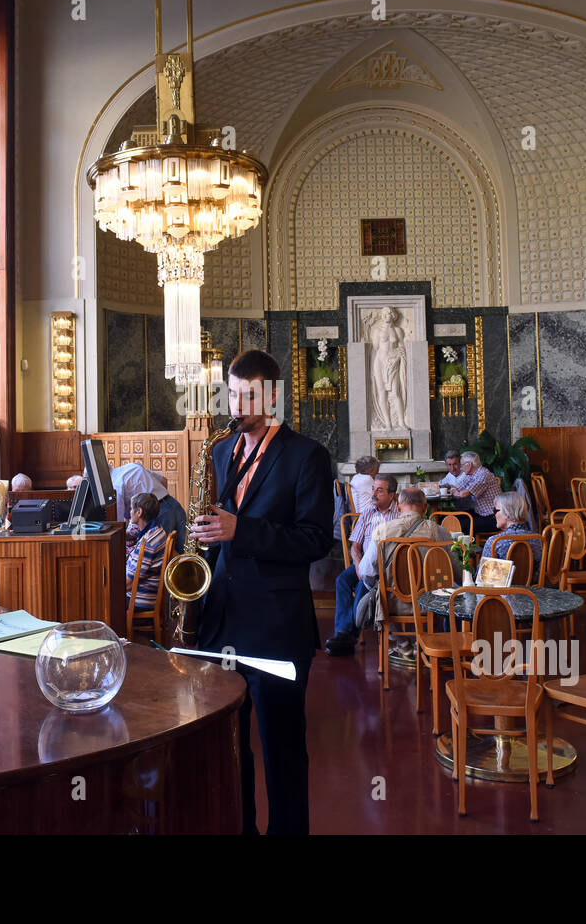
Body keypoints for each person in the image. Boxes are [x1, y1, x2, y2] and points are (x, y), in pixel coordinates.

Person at [189, 349, 333, 835]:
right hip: (221, 621)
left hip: (276, 629)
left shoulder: (307, 456)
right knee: (229, 748)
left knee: (282, 751)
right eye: (231, 393)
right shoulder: (220, 450)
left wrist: (240, 531)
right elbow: (219, 529)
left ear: (272, 396)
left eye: (247, 395)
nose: (236, 405)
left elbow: (316, 541)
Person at [353, 487, 450, 659]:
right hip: (428, 603)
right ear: (425, 507)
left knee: (382, 592)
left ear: (398, 507)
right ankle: (426, 644)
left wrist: (380, 586)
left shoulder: (382, 531)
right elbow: (452, 571)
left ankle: (402, 641)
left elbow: (365, 571)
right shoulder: (438, 531)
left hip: (391, 603)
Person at [326, 473, 399, 657]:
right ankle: (344, 632)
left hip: (386, 565)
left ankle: (347, 636)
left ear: (392, 495)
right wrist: (358, 565)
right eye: (373, 488)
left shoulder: (398, 514)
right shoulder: (367, 512)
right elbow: (355, 547)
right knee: (342, 580)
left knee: (362, 585)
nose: (374, 493)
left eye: (380, 490)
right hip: (364, 561)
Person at [111, 461, 187, 550]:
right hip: (173, 504)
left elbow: (118, 526)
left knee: (161, 559)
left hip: (158, 514)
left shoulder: (114, 484)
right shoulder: (131, 466)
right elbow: (164, 481)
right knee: (181, 555)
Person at [124, 492, 169, 614]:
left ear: (139, 512)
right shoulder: (157, 530)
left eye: (131, 509)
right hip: (147, 595)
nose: (129, 512)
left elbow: (128, 584)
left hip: (139, 601)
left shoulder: (148, 542)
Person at [480, 492, 542, 574]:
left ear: (507, 514)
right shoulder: (537, 539)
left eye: (495, 510)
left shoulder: (495, 542)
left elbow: (482, 576)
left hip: (503, 587)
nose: (494, 514)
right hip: (533, 586)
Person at [450, 450, 502, 533]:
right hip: (480, 513)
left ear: (469, 465)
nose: (461, 468)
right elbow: (455, 487)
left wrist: (456, 492)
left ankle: (468, 545)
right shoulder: (472, 475)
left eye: (462, 465)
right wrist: (455, 490)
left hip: (493, 518)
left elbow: (463, 494)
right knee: (451, 519)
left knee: (459, 525)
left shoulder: (483, 475)